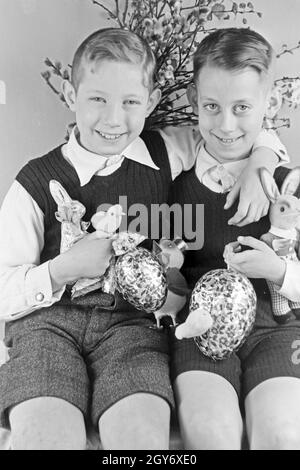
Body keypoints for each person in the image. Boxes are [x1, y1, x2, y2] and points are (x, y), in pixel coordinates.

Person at [0, 27, 289, 450]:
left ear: (151, 102)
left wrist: (260, 162)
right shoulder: (34, 182)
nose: (114, 119)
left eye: (130, 102)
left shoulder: (164, 151)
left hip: (132, 328)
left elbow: (234, 129)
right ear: (69, 93)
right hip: (47, 328)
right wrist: (62, 269)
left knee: (142, 441)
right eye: (97, 98)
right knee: (48, 437)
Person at [170, 27, 300, 450]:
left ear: (271, 103)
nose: (226, 125)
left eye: (242, 107)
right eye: (212, 107)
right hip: (199, 332)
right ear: (194, 101)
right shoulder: (171, 176)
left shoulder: (287, 187)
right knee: (210, 432)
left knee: (283, 434)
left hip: (275, 330)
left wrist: (278, 270)